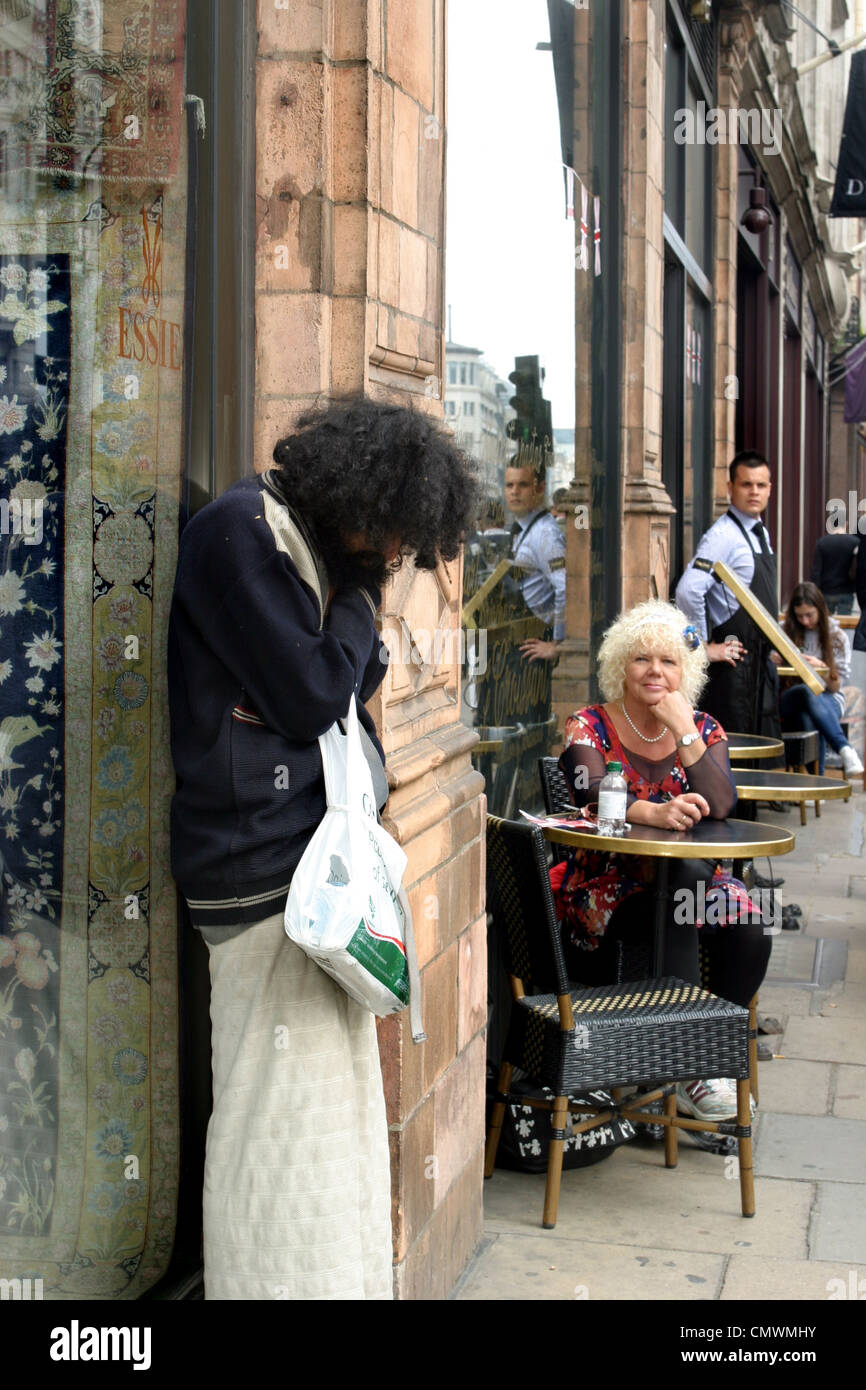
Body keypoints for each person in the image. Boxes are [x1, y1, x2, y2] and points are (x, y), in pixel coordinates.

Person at [167, 397, 476, 1300]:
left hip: (302, 874)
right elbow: (313, 692)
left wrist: (347, 631)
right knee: (274, 1118)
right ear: (355, 490)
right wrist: (364, 603)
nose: (388, 557)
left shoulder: (299, 545)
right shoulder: (241, 534)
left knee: (327, 1124)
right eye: (388, 539)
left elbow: (348, 677)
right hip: (260, 877)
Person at [552, 600, 771, 1122]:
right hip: (607, 885)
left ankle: (705, 1058)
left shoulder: (703, 727)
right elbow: (586, 791)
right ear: (619, 666)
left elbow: (721, 804)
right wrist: (653, 809)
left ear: (686, 670)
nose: (655, 671)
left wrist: (683, 730)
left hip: (689, 877)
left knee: (749, 921)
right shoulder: (589, 725)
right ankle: (693, 1067)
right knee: (680, 896)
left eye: (669, 661)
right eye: (642, 659)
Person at [675, 452, 781, 742]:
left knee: (761, 765)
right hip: (732, 676)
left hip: (758, 672)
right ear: (730, 487)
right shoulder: (722, 536)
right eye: (746, 484)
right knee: (734, 763)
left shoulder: (761, 533)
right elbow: (688, 590)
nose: (754, 491)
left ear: (770, 488)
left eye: (761, 485)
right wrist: (701, 648)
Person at [776, 581, 864, 776]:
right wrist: (775, 659)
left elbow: (835, 687)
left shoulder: (836, 636)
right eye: (800, 616)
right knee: (807, 692)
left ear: (820, 610)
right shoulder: (783, 631)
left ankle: (815, 779)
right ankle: (844, 749)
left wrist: (823, 669)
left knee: (808, 711)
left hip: (829, 698)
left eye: (810, 615)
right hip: (791, 695)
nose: (805, 621)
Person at [504, 455, 566, 663]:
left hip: (536, 644)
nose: (514, 491)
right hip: (523, 637)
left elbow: (565, 587)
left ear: (540, 488)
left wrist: (557, 644)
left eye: (522, 484)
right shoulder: (523, 529)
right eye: (509, 485)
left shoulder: (545, 534)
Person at [810, 532, 858, 615]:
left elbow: (816, 570)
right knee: (845, 620)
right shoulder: (854, 542)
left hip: (827, 590)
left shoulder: (822, 542)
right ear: (846, 524)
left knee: (826, 620)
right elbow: (857, 568)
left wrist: (815, 591)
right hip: (846, 590)